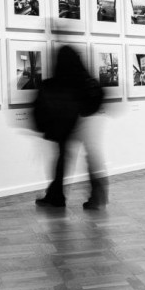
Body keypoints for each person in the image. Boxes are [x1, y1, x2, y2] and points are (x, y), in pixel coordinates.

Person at [33, 45, 107, 210]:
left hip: (68, 124)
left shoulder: (59, 81)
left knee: (62, 160)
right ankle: (96, 196)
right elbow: (97, 96)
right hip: (84, 122)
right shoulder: (84, 79)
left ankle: (57, 196)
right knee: (88, 158)